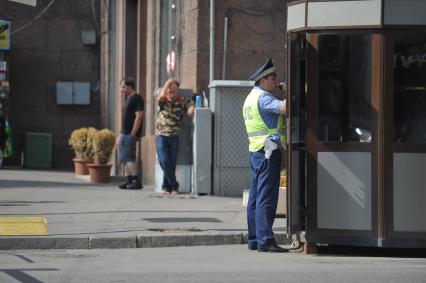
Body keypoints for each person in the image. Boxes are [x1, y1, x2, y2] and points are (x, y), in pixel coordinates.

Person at [243, 57, 288, 253]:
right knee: (266, 197)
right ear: (263, 80)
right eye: (272, 76)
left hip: (256, 151)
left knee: (254, 198)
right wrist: (291, 91)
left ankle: (254, 239)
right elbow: (285, 108)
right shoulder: (264, 98)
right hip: (268, 151)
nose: (275, 79)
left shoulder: (250, 98)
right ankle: (266, 240)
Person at [155, 78, 194, 195]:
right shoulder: (162, 101)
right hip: (161, 135)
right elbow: (161, 94)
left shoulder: (181, 101)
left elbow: (191, 104)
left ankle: (166, 187)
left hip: (174, 136)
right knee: (163, 160)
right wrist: (168, 82)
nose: (172, 94)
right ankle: (174, 185)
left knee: (171, 162)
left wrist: (191, 109)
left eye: (175, 92)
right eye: (170, 91)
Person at [117, 78, 144, 190]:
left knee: (128, 158)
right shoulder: (129, 98)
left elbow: (139, 117)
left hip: (129, 134)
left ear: (130, 86)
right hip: (124, 133)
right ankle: (129, 180)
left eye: (123, 87)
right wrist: (120, 134)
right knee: (124, 158)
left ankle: (136, 180)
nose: (121, 89)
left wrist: (133, 133)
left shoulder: (136, 98)